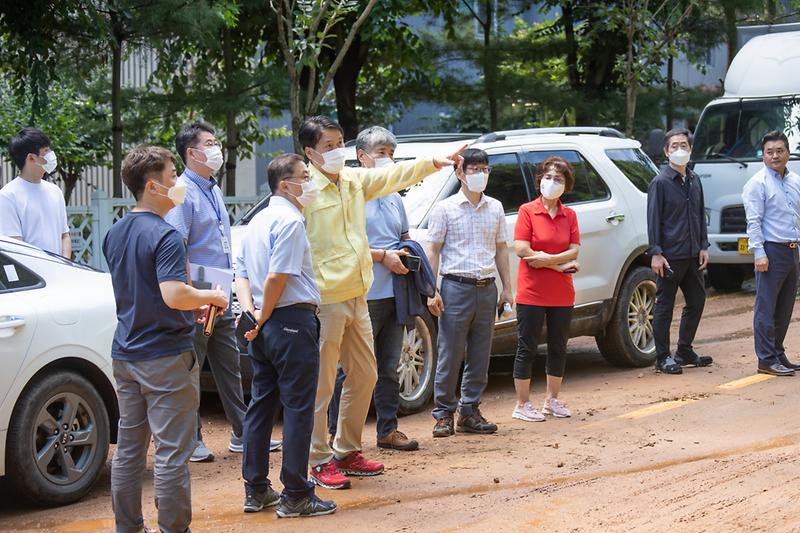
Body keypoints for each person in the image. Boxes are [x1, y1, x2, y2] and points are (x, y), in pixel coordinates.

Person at [300, 115, 462, 489]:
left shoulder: (353, 181)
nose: (337, 151)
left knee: (366, 374)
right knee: (322, 383)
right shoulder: (304, 190)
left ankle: (346, 450)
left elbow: (393, 177)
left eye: (340, 143)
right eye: (328, 146)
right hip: (324, 299)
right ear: (310, 152)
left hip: (358, 294)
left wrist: (434, 163)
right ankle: (318, 458)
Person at [103, 145, 228, 533]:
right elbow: (173, 294)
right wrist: (211, 296)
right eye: (174, 177)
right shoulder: (166, 235)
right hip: (165, 356)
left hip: (126, 353)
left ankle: (129, 527)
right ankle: (174, 529)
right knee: (172, 453)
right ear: (153, 187)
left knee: (129, 451)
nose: (179, 185)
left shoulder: (115, 232)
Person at [235, 153, 336, 518]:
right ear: (285, 184)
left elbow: (242, 275)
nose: (309, 183)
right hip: (290, 319)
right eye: (304, 176)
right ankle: (296, 493)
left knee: (261, 404)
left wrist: (252, 315)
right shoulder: (290, 222)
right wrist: (262, 314)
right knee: (297, 408)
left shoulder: (257, 221)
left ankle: (257, 488)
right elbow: (277, 276)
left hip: (263, 325)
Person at [165, 122, 271, 463]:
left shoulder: (211, 188)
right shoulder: (182, 191)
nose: (217, 148)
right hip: (197, 288)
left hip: (219, 287)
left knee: (229, 363)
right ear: (191, 153)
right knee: (192, 364)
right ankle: (192, 437)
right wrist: (188, 292)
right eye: (210, 143)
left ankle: (244, 432)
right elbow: (178, 245)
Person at [328, 126, 420, 452]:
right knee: (348, 370)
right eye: (381, 153)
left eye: (391, 154)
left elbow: (405, 236)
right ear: (361, 156)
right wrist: (384, 257)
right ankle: (332, 435)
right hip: (362, 296)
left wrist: (410, 253)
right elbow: (341, 244)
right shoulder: (350, 195)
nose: (387, 160)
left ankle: (387, 430)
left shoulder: (395, 198)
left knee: (390, 366)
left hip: (396, 294)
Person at [426, 148, 513, 437]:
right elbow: (434, 250)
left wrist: (507, 290)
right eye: (474, 169)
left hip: (486, 287)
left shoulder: (495, 207)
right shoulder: (445, 209)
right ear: (459, 173)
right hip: (455, 286)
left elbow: (501, 249)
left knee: (480, 352)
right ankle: (443, 413)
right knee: (450, 353)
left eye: (485, 169)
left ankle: (470, 410)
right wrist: (431, 289)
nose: (480, 174)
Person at [511, 156, 580, 422]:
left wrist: (550, 262)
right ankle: (522, 403)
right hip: (532, 291)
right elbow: (522, 249)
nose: (552, 183)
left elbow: (575, 249)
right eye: (548, 177)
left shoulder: (569, 214)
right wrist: (560, 265)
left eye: (559, 179)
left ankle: (552, 400)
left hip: (562, 292)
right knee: (527, 346)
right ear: (540, 180)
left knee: (558, 346)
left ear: (566, 184)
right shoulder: (527, 210)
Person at [647, 127, 713, 375]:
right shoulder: (660, 183)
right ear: (666, 151)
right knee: (664, 306)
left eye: (683, 145)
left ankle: (684, 350)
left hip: (693, 254)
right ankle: (662, 356)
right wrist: (656, 252)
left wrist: (703, 245)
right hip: (670, 256)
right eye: (674, 146)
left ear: (690, 149)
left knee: (697, 300)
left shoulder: (694, 180)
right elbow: (653, 220)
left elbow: (699, 214)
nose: (679, 150)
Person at [742, 130, 800, 376]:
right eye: (769, 152)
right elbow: (753, 221)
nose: (775, 155)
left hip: (792, 249)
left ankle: (777, 353)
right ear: (763, 156)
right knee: (766, 307)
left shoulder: (795, 180)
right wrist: (759, 253)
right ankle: (765, 359)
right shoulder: (757, 183)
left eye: (779, 151)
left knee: (785, 306)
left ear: (788, 152)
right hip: (771, 252)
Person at [0, 127, 71, 257]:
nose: (51, 154)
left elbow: (64, 236)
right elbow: (15, 246)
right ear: (31, 158)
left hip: (60, 272)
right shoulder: (8, 196)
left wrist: (65, 265)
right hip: (32, 275)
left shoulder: (55, 191)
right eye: (46, 151)